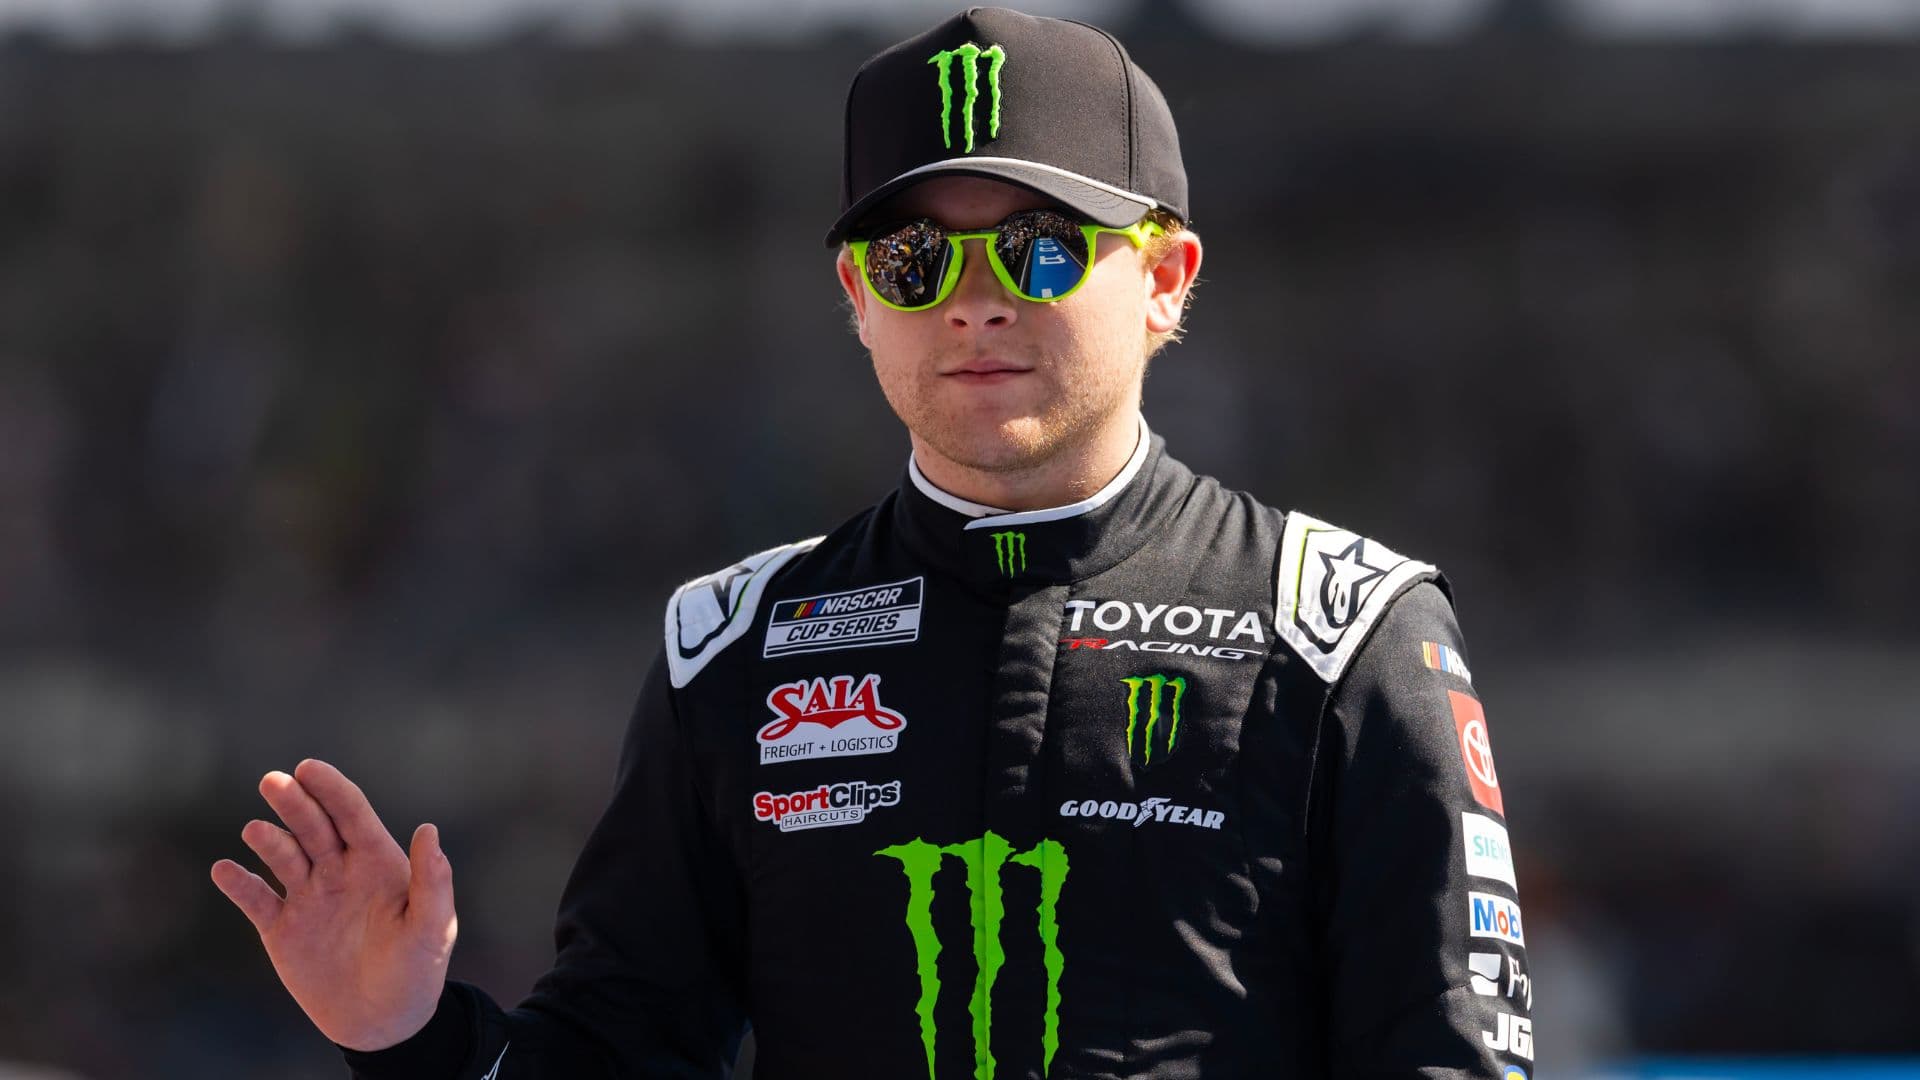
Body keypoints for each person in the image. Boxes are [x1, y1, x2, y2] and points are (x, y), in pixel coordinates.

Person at [211, 7, 1535, 1078]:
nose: (972, 305)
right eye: (915, 263)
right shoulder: (738, 646)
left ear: (1167, 278)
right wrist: (406, 1039)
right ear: (858, 298)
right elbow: (616, 1053)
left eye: (1039, 251)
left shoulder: (1345, 632)